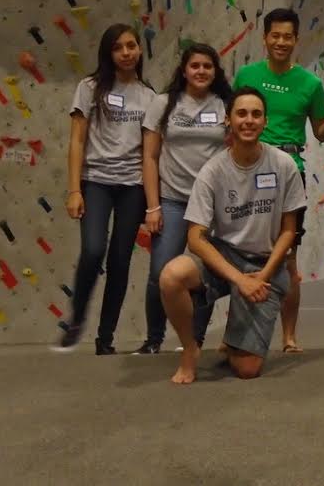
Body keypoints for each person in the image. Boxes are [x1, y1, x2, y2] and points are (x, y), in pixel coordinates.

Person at [158, 87, 306, 383]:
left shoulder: (285, 165)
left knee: (247, 370)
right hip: (225, 255)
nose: (248, 120)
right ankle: (190, 349)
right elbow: (196, 238)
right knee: (170, 276)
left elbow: (290, 230)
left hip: (266, 262)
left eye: (256, 114)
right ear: (229, 120)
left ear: (266, 122)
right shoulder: (212, 171)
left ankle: (235, 339)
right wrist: (239, 280)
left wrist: (262, 276)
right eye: (241, 114)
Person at [229, 8, 324, 353]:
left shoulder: (310, 84)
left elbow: (320, 132)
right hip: (246, 169)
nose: (280, 42)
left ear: (295, 39)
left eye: (287, 36)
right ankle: (233, 335)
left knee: (287, 257)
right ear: (264, 38)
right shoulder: (246, 74)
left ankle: (288, 336)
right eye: (274, 35)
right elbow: (235, 119)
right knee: (237, 253)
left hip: (290, 173)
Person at [54, 24, 156, 354]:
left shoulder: (150, 96)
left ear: (140, 50)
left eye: (131, 46)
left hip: (133, 187)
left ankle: (105, 338)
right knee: (94, 249)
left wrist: (153, 203)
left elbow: (152, 152)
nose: (126, 52)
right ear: (108, 53)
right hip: (96, 181)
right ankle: (76, 319)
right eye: (118, 47)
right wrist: (74, 190)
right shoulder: (90, 87)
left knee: (120, 261)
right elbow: (77, 140)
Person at [133, 43, 232, 355]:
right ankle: (153, 339)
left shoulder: (225, 104)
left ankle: (195, 339)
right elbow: (149, 157)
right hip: (173, 200)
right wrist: (153, 206)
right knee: (160, 272)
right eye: (195, 66)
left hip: (211, 205)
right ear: (184, 70)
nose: (201, 71)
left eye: (207, 66)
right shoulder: (163, 103)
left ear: (215, 72)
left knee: (204, 273)